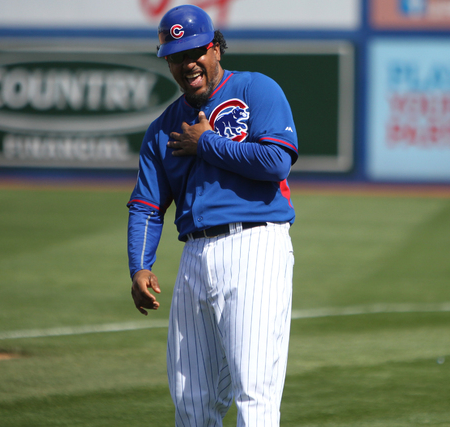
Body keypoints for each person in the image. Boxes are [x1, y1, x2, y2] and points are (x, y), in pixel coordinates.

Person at [127, 4, 298, 426]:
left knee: (253, 393)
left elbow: (276, 161)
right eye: (176, 55)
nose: (188, 64)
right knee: (192, 401)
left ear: (216, 48)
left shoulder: (258, 89)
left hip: (255, 245)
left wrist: (207, 144)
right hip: (194, 259)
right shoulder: (163, 128)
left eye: (196, 51)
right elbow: (147, 205)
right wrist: (139, 265)